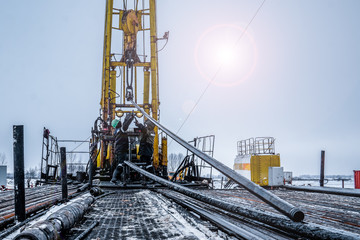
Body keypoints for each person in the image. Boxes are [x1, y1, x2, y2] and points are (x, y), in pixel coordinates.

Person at [111, 113, 134, 184]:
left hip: (119, 149)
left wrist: (127, 118)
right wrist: (131, 118)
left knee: (119, 164)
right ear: (118, 124)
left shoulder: (117, 131)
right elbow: (125, 125)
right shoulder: (121, 130)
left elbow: (124, 124)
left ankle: (117, 178)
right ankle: (114, 179)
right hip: (121, 150)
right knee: (120, 165)